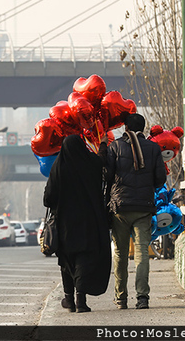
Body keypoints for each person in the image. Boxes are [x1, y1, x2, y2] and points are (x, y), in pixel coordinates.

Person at [43, 134, 111, 313]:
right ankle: (81, 299)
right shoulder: (90, 163)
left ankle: (69, 299)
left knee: (66, 260)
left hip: (65, 223)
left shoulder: (58, 167)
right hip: (89, 221)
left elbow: (48, 199)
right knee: (84, 257)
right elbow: (102, 160)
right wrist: (102, 144)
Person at [105, 113, 166, 310]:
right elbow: (160, 179)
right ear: (144, 128)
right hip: (143, 207)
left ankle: (121, 298)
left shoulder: (115, 147)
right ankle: (142, 298)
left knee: (121, 254)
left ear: (125, 128)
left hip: (120, 208)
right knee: (141, 253)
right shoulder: (153, 148)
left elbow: (107, 176)